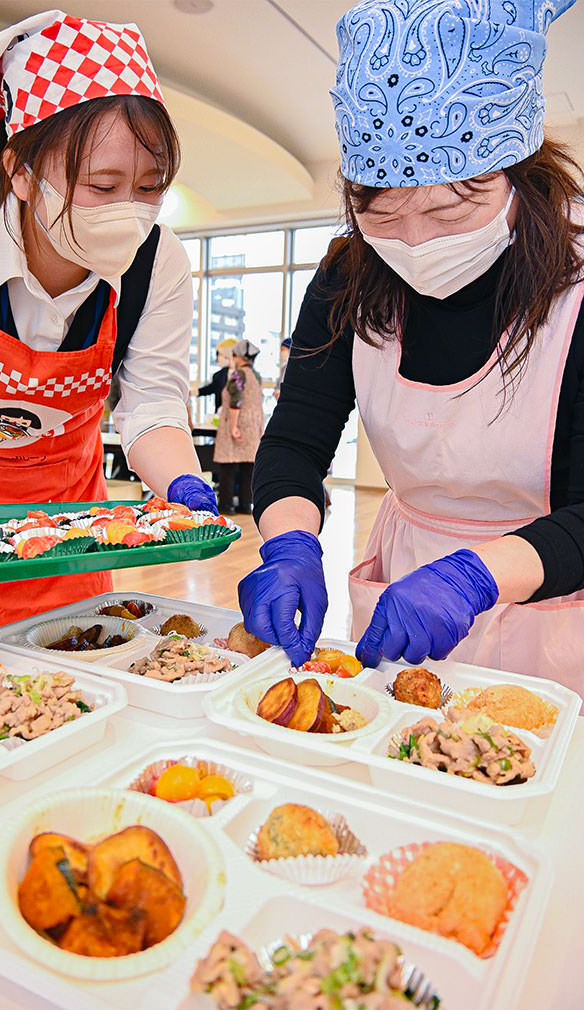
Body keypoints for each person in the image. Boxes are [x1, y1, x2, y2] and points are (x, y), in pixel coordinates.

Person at [238, 0, 584, 698]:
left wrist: (477, 575)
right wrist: (290, 542)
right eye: (382, 212)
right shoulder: (349, 275)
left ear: (516, 173)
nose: (416, 244)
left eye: (452, 210)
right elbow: (295, 444)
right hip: (406, 576)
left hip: (553, 587)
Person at [0, 10, 217, 648]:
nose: (128, 212)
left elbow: (152, 403)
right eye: (102, 185)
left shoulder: (158, 263)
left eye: (149, 187)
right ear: (20, 170)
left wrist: (183, 486)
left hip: (67, 562)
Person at [214, 339, 264, 514]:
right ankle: (245, 504)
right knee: (247, 468)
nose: (233, 359)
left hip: (237, 422)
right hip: (253, 425)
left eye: (234, 355)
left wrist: (234, 427)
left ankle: (226, 505)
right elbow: (259, 404)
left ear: (240, 357)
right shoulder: (257, 376)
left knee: (227, 466)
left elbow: (235, 402)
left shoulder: (237, 375)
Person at [197, 338, 237, 413]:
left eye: (220, 354)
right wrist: (194, 392)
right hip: (221, 416)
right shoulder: (219, 375)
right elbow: (211, 388)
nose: (218, 358)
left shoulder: (244, 375)